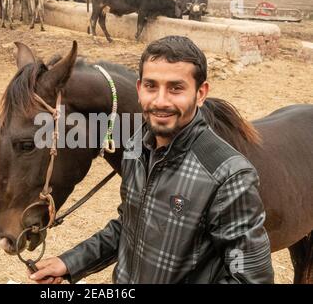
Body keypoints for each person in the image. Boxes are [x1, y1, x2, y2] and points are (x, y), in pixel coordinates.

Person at [28, 36, 274, 284]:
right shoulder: (136, 144)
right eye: (151, 86)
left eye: (176, 88)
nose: (160, 101)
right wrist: (71, 263)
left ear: (201, 94)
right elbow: (130, 225)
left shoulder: (228, 176)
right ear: (139, 89)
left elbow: (252, 280)